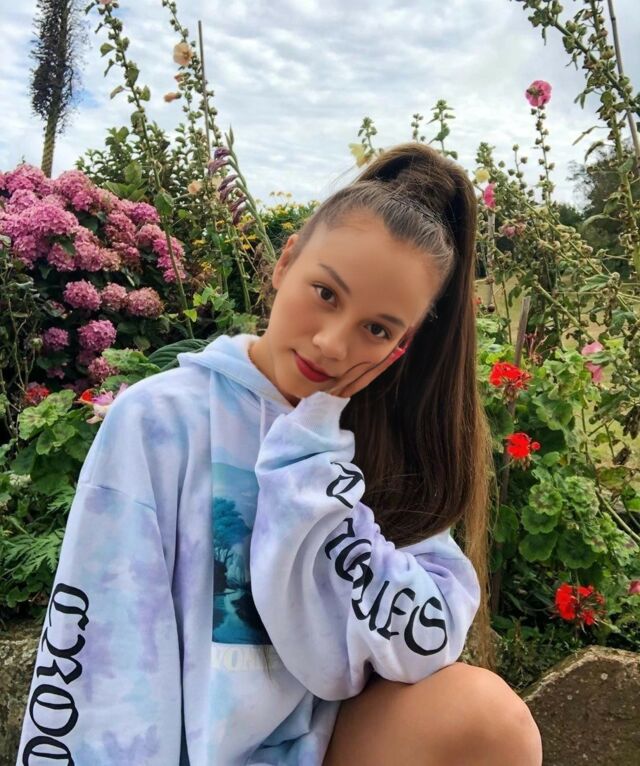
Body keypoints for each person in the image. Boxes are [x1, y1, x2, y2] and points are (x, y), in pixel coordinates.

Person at [15, 142, 542, 765]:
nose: (332, 344)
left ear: (401, 345)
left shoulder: (381, 442)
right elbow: (102, 641)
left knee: (491, 720)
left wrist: (312, 461)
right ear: (286, 260)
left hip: (320, 747)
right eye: (326, 293)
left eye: (377, 329)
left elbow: (420, 643)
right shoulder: (161, 420)